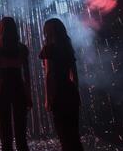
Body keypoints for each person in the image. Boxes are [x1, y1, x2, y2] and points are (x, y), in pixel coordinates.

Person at [39, 18, 83, 151]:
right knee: (74, 134)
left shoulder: (49, 49)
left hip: (57, 92)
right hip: (70, 91)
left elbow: (48, 74)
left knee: (63, 134)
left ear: (48, 32)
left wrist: (47, 98)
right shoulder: (67, 48)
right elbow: (74, 74)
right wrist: (76, 92)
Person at [0, 17, 32, 151]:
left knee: (5, 132)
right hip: (18, 87)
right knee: (21, 133)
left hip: (3, 88)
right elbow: (26, 74)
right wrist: (28, 95)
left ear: (1, 29)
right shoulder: (22, 48)